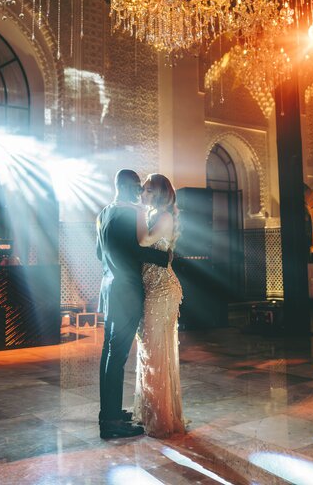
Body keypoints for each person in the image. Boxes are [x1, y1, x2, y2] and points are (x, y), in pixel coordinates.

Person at [96, 169, 171, 439]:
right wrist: (167, 257)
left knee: (109, 354)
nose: (141, 192)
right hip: (126, 292)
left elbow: (98, 253)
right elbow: (138, 249)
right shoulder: (130, 212)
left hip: (109, 288)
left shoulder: (104, 212)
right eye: (138, 187)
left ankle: (109, 412)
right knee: (116, 357)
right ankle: (112, 422)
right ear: (128, 187)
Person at [133, 173, 186, 438]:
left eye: (149, 190)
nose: (144, 193)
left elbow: (143, 241)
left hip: (163, 291)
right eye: (143, 189)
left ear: (162, 193)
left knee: (155, 353)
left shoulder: (162, 216)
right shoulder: (155, 214)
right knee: (150, 351)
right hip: (153, 289)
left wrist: (139, 210)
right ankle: (151, 411)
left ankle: (160, 418)